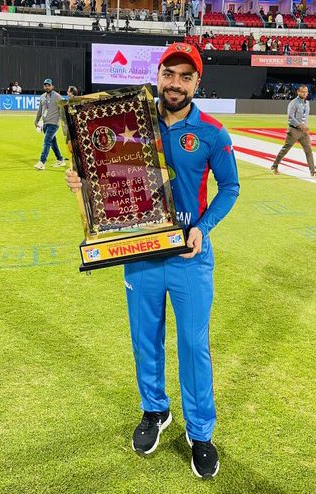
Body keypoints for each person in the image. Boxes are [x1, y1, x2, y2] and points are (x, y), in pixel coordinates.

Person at [65, 42, 240, 479]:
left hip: (189, 257)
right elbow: (111, 177)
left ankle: (200, 433)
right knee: (146, 339)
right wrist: (82, 182)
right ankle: (154, 411)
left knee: (194, 347)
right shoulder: (131, 123)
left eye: (186, 76)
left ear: (197, 82)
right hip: (139, 253)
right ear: (158, 75)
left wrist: (203, 226)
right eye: (169, 74)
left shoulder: (213, 133)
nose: (175, 83)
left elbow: (231, 187)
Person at [271, 84, 316, 177]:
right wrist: (301, 125)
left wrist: (305, 127)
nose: (304, 93)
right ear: (298, 92)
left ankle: (313, 171)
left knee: (309, 151)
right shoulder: (293, 103)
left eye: (306, 91)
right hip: (294, 131)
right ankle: (274, 166)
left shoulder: (307, 103)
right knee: (285, 149)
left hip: (303, 133)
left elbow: (305, 117)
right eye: (302, 91)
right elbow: (290, 117)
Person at [33, 78, 65, 170]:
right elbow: (40, 110)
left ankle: (42, 162)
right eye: (45, 85)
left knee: (46, 142)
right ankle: (60, 160)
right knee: (52, 143)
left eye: (49, 85)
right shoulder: (42, 97)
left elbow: (64, 107)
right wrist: (36, 120)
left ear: (52, 86)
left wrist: (63, 120)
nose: (47, 87)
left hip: (54, 123)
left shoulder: (57, 96)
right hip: (45, 124)